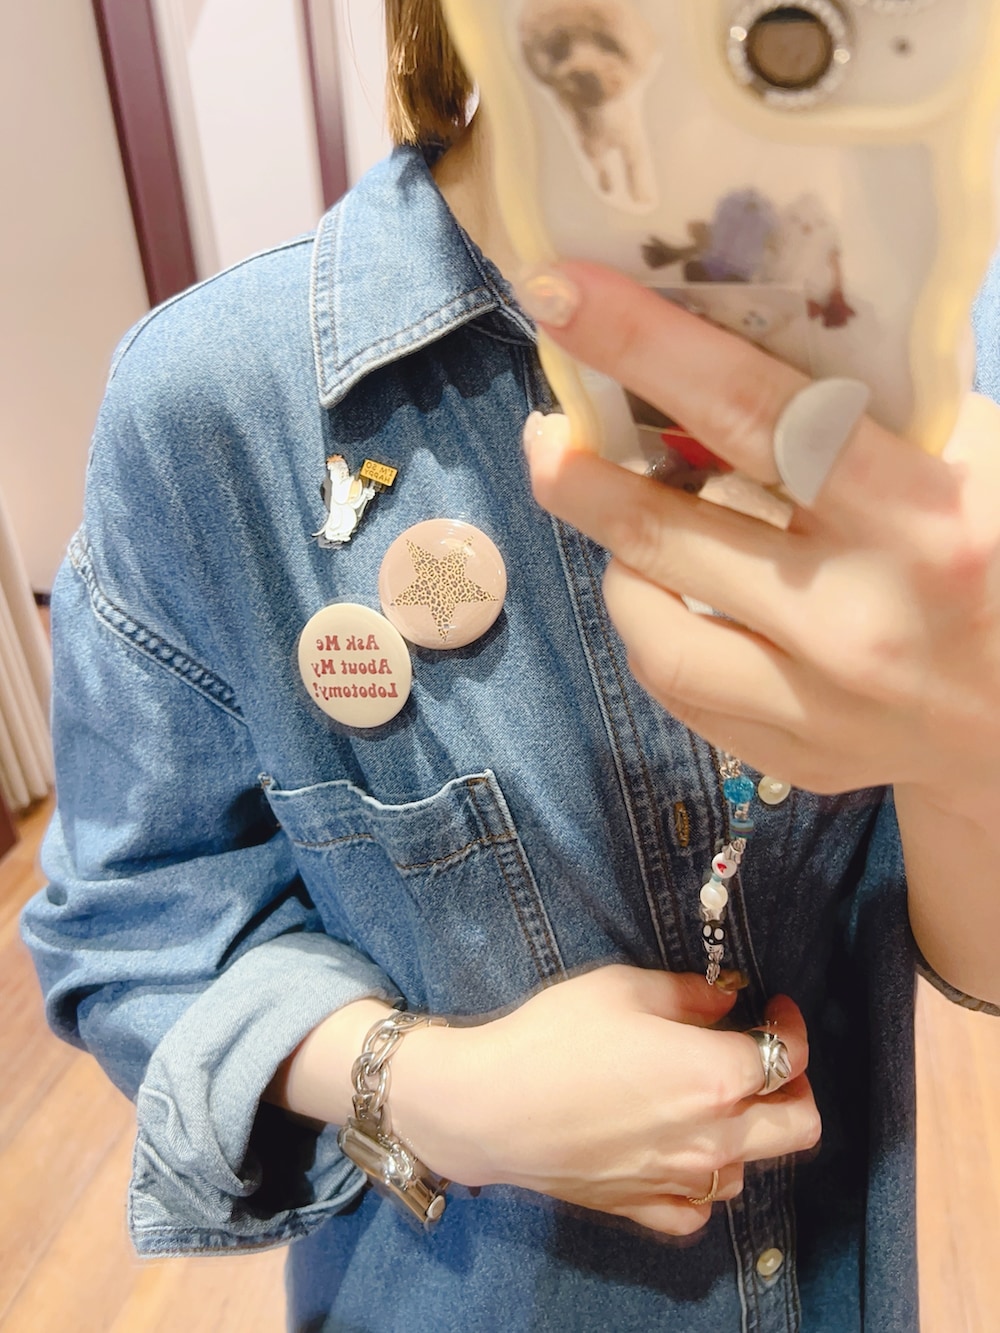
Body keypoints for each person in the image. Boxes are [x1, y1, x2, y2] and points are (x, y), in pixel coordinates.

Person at [22, 2, 1000, 1329]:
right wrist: (429, 1092)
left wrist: (975, 751)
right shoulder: (217, 410)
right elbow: (132, 925)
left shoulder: (948, 372)